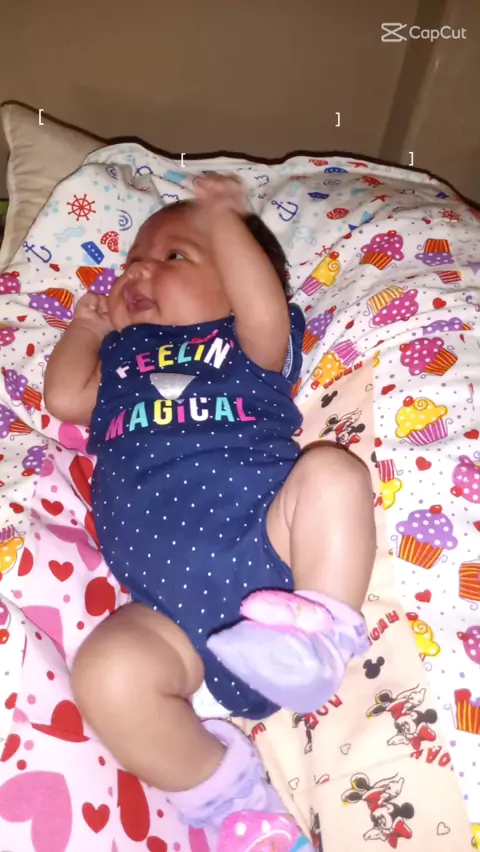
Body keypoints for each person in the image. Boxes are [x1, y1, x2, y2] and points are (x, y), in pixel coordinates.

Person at [44, 174, 376, 851]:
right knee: (107, 673)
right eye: (134, 259)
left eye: (174, 256)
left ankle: (321, 636)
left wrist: (224, 217)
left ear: (234, 282)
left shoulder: (245, 346)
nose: (138, 270)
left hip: (272, 553)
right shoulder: (123, 362)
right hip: (167, 617)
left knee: (333, 475)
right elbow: (64, 398)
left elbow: (262, 303)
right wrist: (87, 328)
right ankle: (232, 802)